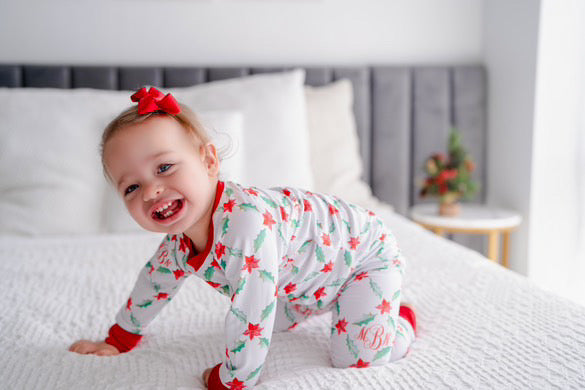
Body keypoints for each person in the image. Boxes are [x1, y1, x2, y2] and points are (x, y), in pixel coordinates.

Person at [68, 87, 417, 389]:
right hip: (305, 276)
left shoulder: (245, 224)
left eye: (164, 168)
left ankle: (398, 319)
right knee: (274, 320)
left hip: (364, 257)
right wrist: (120, 338)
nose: (151, 191)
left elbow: (249, 315)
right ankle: (325, 301)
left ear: (208, 161)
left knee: (355, 355)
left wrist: (232, 378)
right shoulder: (179, 242)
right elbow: (153, 282)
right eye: (132, 187)